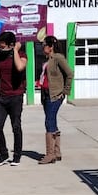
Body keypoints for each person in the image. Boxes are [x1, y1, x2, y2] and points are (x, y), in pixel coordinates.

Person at [0, 31, 27, 166]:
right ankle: (3, 154)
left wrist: (15, 50)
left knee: (16, 127)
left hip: (16, 96)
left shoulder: (21, 55)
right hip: (2, 97)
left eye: (3, 46)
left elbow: (20, 67)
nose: (0, 48)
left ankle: (17, 156)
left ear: (11, 45)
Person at [37, 35, 73, 164]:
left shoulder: (58, 58)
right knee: (52, 121)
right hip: (46, 94)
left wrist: (65, 91)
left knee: (49, 121)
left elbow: (70, 74)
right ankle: (57, 152)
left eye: (44, 45)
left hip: (55, 95)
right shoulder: (48, 59)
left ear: (51, 47)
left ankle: (50, 154)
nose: (43, 48)